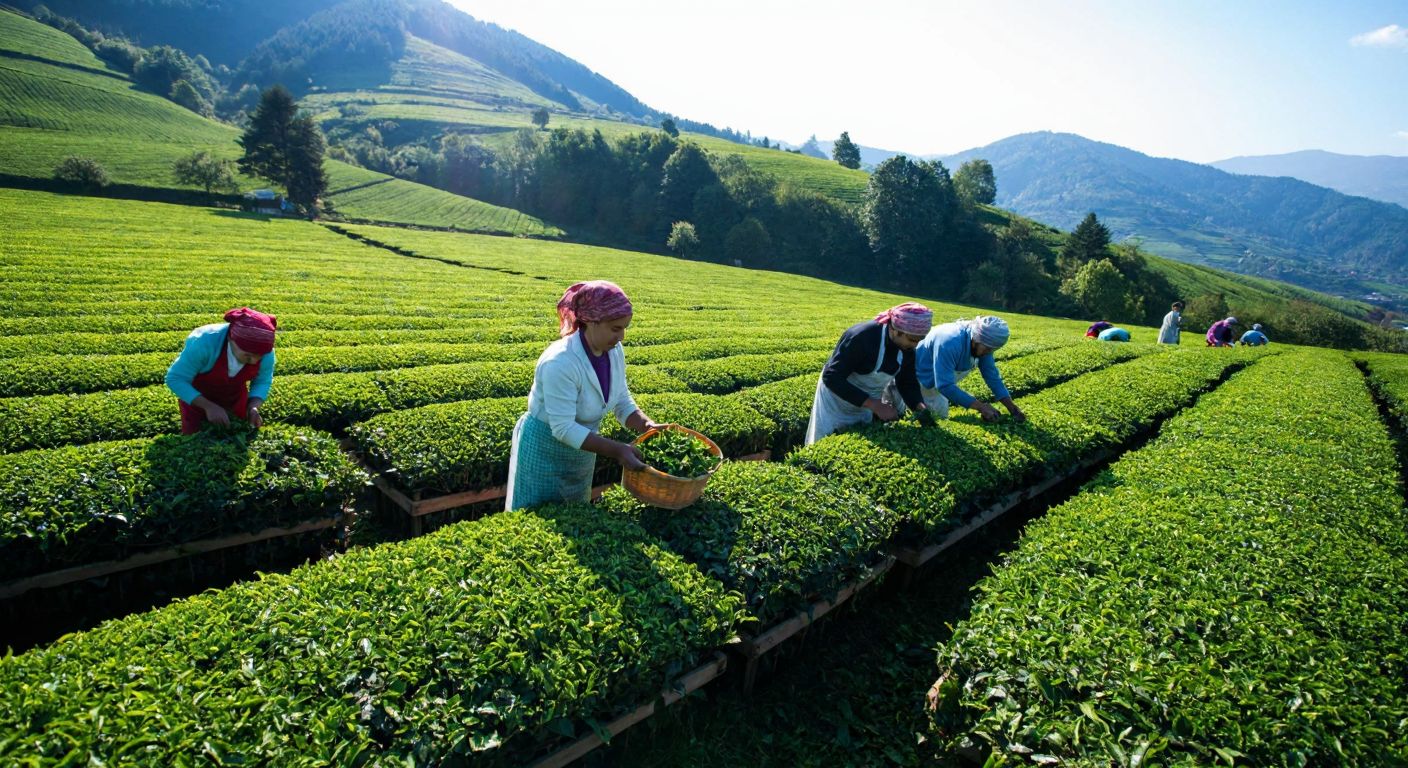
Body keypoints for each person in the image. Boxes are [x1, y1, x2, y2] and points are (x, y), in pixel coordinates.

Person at [506, 281, 661, 511]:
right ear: (590, 321)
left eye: (624, 327)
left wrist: (648, 427)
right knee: (536, 517)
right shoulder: (560, 362)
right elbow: (563, 428)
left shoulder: (613, 351)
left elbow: (620, 399)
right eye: (616, 328)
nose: (622, 336)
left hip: (583, 449)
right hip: (544, 451)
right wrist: (619, 450)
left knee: (576, 515)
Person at [804, 302, 932, 445]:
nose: (915, 345)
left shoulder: (907, 350)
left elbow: (907, 382)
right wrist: (874, 404)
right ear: (896, 329)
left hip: (868, 401)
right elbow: (832, 377)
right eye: (912, 340)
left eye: (919, 340)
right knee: (824, 442)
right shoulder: (862, 337)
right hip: (836, 400)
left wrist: (919, 407)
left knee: (854, 442)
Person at [166, 307, 277, 435]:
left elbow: (262, 381)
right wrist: (208, 406)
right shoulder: (204, 342)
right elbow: (175, 378)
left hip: (235, 399)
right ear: (231, 339)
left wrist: (253, 407)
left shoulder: (265, 352)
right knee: (198, 440)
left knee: (233, 439)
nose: (253, 361)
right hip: (197, 399)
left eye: (259, 356)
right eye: (247, 355)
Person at [914, 315, 1026, 423]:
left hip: (939, 380)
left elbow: (992, 376)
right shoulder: (950, 342)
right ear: (976, 339)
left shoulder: (983, 344)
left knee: (940, 417)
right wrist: (981, 407)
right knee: (912, 414)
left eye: (992, 350)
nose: (988, 353)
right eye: (987, 349)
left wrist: (1012, 407)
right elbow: (945, 385)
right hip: (917, 374)